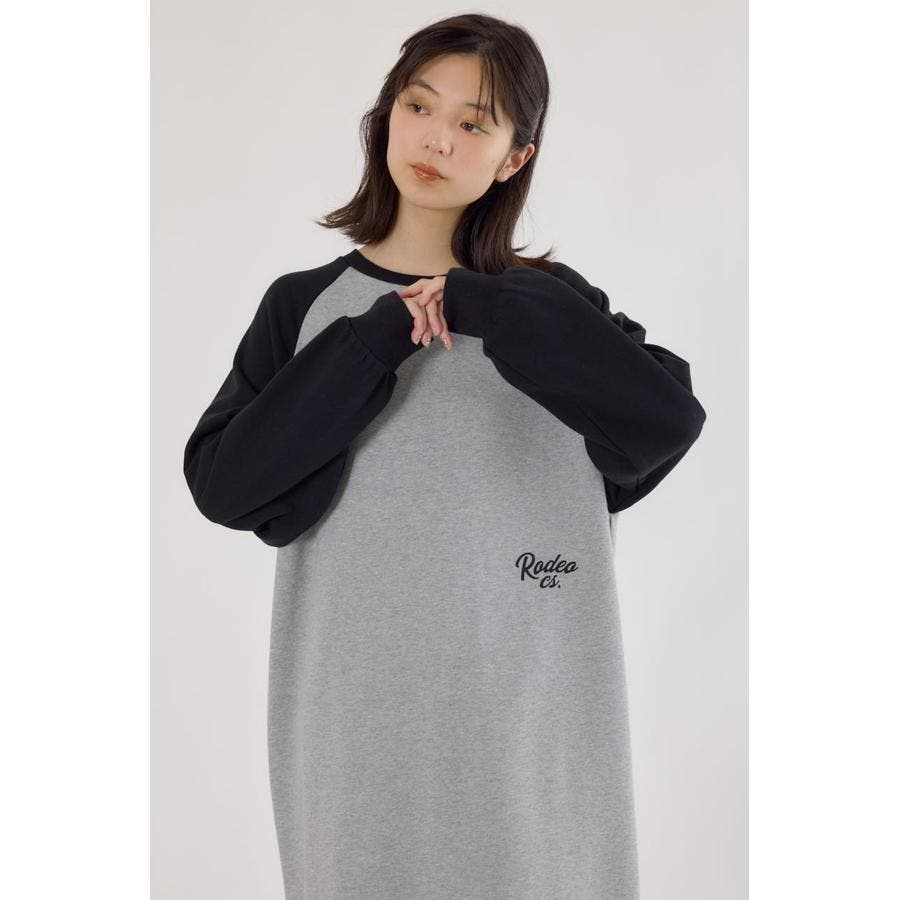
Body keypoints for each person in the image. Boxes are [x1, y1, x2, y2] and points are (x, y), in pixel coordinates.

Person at [183, 12, 706, 899]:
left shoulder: (552, 308)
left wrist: (485, 305)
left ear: (513, 158)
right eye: (419, 106)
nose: (436, 138)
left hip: (534, 731)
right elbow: (227, 487)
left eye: (474, 123)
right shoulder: (305, 308)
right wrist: (376, 340)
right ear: (385, 115)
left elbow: (664, 424)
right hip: (358, 730)